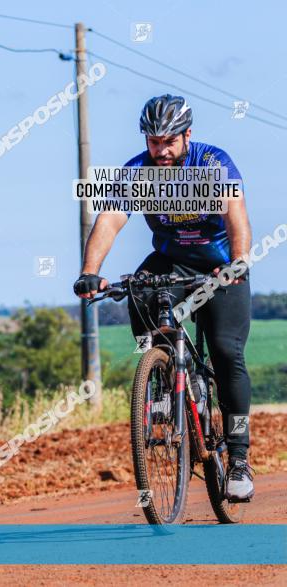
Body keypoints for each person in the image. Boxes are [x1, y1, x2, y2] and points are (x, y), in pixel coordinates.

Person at [73, 95, 254, 501]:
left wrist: (239, 262)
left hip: (219, 266)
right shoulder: (138, 171)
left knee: (226, 352)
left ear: (187, 135)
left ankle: (239, 460)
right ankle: (163, 378)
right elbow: (110, 219)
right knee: (139, 288)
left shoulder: (212, 164)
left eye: (169, 142)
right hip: (171, 262)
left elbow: (236, 213)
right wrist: (90, 271)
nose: (162, 151)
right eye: (154, 142)